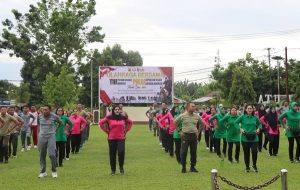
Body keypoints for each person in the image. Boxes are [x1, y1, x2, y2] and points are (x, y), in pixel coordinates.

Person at [99, 105, 133, 175]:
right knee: (112, 154)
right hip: (111, 138)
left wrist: (126, 130)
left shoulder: (123, 117)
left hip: (121, 138)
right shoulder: (109, 117)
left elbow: (131, 122)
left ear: (120, 110)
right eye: (115, 109)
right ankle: (113, 170)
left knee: (121, 152)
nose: (117, 110)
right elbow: (101, 123)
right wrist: (106, 131)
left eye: (118, 109)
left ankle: (121, 167)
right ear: (113, 111)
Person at [174, 102, 203, 173]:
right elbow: (175, 122)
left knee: (193, 152)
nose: (194, 108)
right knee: (184, 152)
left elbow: (201, 123)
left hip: (193, 136)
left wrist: (198, 132)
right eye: (192, 106)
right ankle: (183, 167)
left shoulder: (197, 116)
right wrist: (179, 131)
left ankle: (192, 167)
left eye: (194, 106)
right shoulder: (183, 115)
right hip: (185, 136)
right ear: (188, 107)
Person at [235, 104, 262, 172]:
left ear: (253, 109)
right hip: (245, 138)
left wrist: (259, 129)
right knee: (246, 153)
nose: (249, 110)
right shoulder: (242, 117)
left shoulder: (255, 117)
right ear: (246, 109)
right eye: (248, 108)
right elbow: (235, 123)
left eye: (251, 108)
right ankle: (247, 167)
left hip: (254, 137)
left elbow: (260, 124)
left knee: (254, 152)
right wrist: (240, 129)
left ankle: (254, 166)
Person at [37, 105, 62, 178]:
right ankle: (43, 172)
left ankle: (54, 171)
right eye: (44, 109)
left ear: (50, 110)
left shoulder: (54, 116)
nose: (45, 111)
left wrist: (55, 130)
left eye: (46, 109)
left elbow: (61, 123)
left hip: (51, 136)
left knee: (52, 154)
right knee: (42, 154)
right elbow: (38, 125)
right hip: (42, 137)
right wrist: (39, 133)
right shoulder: (40, 116)